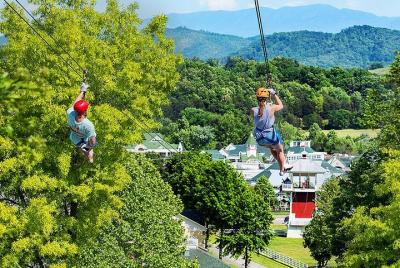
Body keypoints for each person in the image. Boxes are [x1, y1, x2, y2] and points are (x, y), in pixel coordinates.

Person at [251, 87, 292, 176]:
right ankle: (282, 168)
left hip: (260, 139)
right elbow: (281, 105)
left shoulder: (253, 110)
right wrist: (274, 94)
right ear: (266, 98)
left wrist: (267, 105)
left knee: (272, 148)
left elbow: (260, 112)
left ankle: (281, 165)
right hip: (270, 136)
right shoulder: (271, 108)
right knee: (280, 150)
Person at [67, 82, 96, 163]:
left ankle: (87, 155)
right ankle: (89, 156)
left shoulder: (70, 114)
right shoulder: (88, 125)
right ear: (84, 112)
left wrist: (82, 91)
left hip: (75, 138)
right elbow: (93, 141)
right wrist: (89, 149)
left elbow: (75, 104)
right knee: (89, 153)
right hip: (85, 138)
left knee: (85, 151)